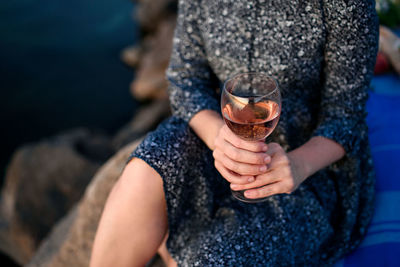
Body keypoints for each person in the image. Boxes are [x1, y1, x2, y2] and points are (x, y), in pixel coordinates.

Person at [90, 0, 378, 266]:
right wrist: (218, 136)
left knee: (213, 258)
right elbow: (185, 80)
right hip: (215, 134)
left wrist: (298, 165)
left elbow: (345, 117)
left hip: (309, 168)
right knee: (144, 171)